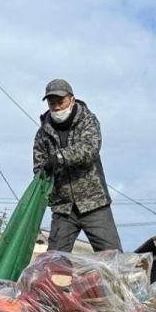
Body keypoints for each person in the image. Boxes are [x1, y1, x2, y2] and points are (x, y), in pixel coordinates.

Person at [33, 78, 122, 253]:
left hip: (94, 204)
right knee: (53, 261)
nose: (57, 107)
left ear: (71, 100)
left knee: (113, 257)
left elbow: (90, 149)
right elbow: (39, 169)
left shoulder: (88, 120)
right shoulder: (42, 134)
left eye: (61, 101)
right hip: (63, 209)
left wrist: (59, 157)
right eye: (52, 103)